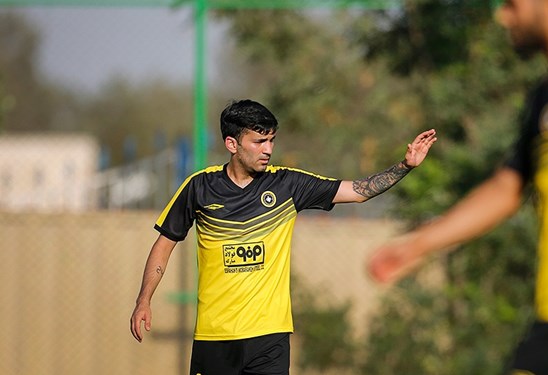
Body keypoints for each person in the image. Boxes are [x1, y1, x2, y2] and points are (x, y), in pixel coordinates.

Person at [367, 0, 548, 374]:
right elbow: (505, 190)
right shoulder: (547, 94)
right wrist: (416, 246)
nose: (503, 15)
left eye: (512, 4)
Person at [129, 98, 436, 375]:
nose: (268, 149)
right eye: (259, 141)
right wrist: (144, 299)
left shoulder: (287, 184)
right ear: (232, 144)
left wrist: (404, 166)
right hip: (216, 335)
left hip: (270, 337)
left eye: (272, 140)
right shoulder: (199, 187)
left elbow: (357, 192)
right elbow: (164, 244)